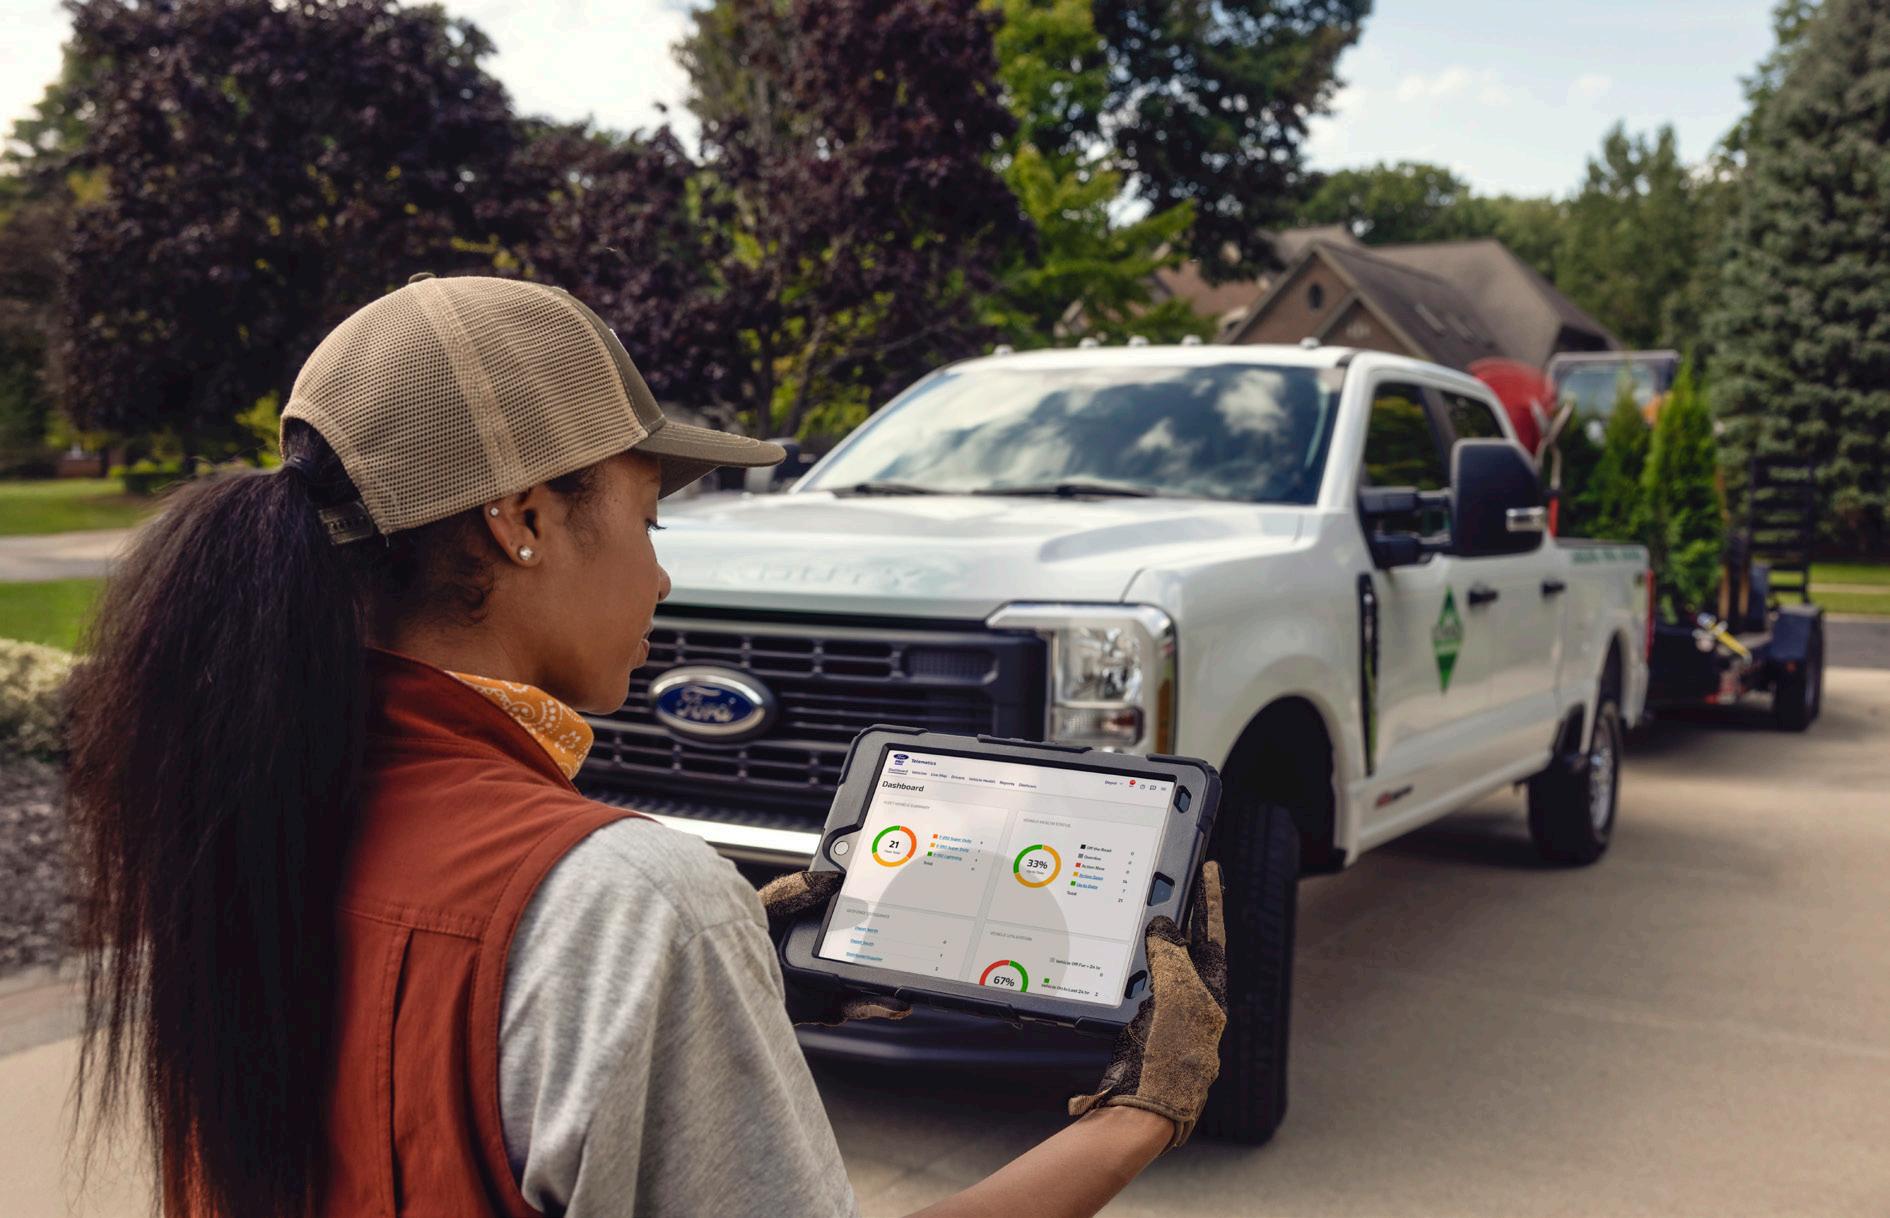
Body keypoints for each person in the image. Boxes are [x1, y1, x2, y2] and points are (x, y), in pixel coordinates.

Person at [65, 274, 1229, 1218]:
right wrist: (1138, 1115)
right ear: (523, 518)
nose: (662, 575)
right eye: (648, 517)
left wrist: (713, 967)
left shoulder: (239, 807)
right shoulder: (632, 902)